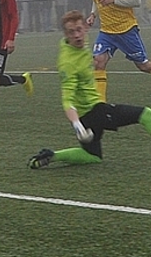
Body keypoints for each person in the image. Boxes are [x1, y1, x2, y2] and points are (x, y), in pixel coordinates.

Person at [28, 10, 151, 168]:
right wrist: (77, 125)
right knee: (145, 115)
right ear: (65, 34)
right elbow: (67, 99)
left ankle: (51, 156)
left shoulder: (72, 45)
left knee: (92, 156)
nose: (77, 35)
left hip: (86, 116)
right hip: (93, 111)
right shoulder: (68, 63)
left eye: (79, 30)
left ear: (86, 28)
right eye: (71, 32)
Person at [87, 0, 151, 102]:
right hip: (106, 33)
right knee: (98, 62)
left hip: (126, 30)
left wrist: (114, 0)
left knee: (144, 67)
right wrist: (92, 14)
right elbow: (96, 0)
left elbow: (137, 1)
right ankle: (99, 104)